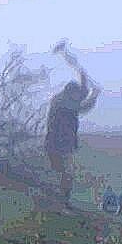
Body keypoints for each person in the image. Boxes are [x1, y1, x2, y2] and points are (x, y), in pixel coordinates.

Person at [44, 54, 101, 211]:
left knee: (66, 174)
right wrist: (94, 96)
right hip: (57, 144)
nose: (78, 96)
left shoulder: (68, 98)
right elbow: (82, 107)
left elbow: (83, 93)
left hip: (65, 143)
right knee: (65, 174)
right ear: (70, 93)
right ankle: (61, 205)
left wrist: (82, 74)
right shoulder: (61, 102)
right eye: (76, 95)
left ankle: (61, 203)